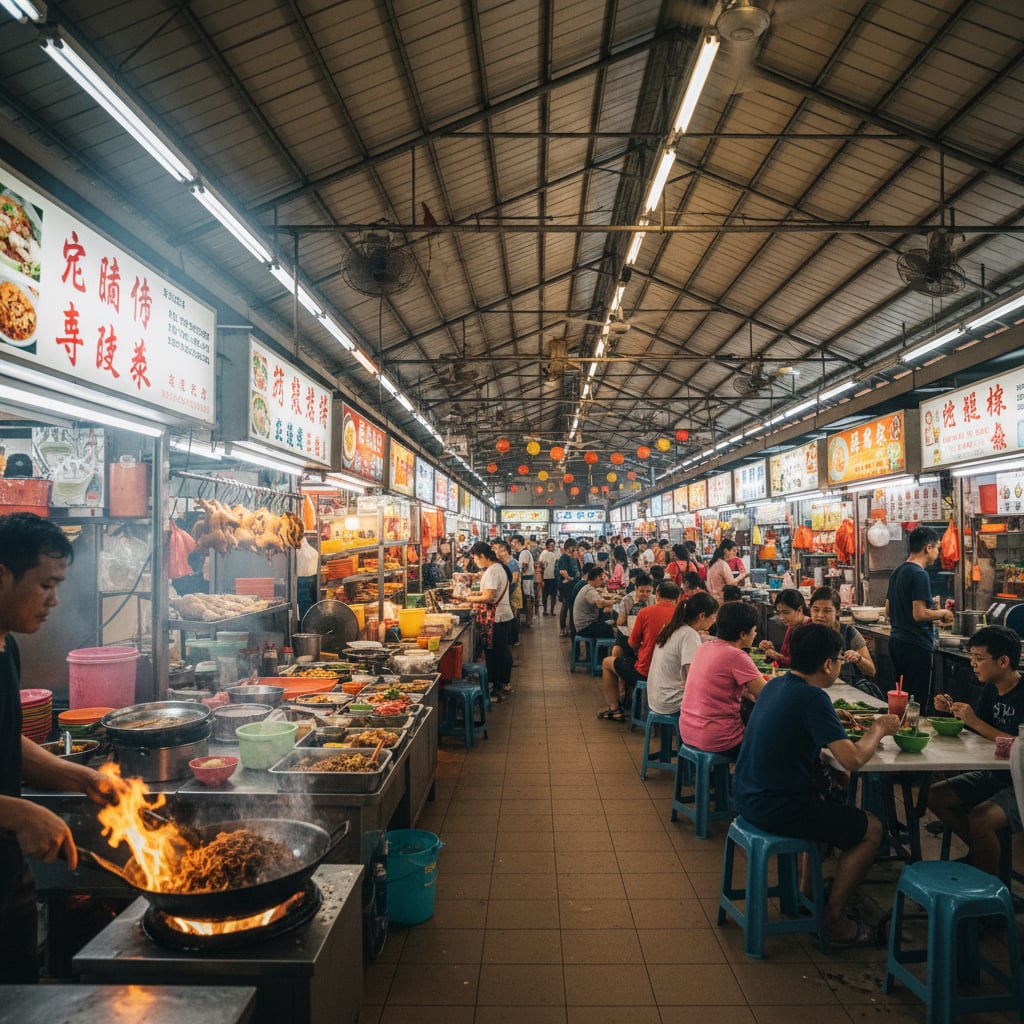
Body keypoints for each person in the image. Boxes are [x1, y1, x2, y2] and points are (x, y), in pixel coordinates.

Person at [0, 513, 122, 982]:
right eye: (46, 584)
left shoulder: (7, 645)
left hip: (7, 877)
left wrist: (81, 777)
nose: (55, 599)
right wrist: (21, 814)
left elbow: (6, 744)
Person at [733, 623, 899, 947]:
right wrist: (879, 727)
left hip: (746, 795)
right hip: (775, 807)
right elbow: (852, 760)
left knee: (828, 805)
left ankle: (809, 892)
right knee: (872, 829)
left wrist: (830, 715)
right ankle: (835, 921)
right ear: (828, 665)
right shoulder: (812, 698)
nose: (838, 665)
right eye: (838, 660)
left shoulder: (776, 685)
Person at [927, 625, 1024, 878]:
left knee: (982, 818)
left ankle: (989, 898)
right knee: (937, 796)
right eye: (971, 657)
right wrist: (951, 711)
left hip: (1021, 781)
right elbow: (979, 734)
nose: (972, 663)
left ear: (1003, 661)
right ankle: (986, 858)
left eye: (979, 658)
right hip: (997, 774)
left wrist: (975, 722)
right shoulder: (992, 688)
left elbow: (1020, 747)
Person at [679, 600, 765, 756]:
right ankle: (743, 777)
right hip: (716, 738)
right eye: (754, 630)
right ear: (743, 634)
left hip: (688, 730)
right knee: (768, 739)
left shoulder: (706, 646)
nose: (756, 634)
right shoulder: (737, 656)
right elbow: (766, 694)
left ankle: (722, 777)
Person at [885, 525, 953, 709]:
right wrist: (943, 613)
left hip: (897, 642)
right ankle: (915, 734)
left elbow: (888, 611)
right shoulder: (919, 574)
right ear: (927, 548)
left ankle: (902, 731)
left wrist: (932, 614)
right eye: (937, 547)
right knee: (917, 701)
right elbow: (919, 614)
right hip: (915, 645)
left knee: (902, 697)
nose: (938, 553)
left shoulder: (897, 571)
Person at [597, 580, 680, 721]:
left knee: (607, 663)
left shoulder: (646, 612)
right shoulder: (682, 615)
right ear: (677, 598)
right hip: (674, 676)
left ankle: (615, 708)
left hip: (646, 672)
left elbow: (633, 643)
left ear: (657, 594)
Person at [646, 591, 719, 716]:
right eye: (714, 616)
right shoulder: (689, 635)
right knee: (720, 703)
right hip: (670, 700)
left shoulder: (673, 627)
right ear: (702, 616)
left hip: (656, 696)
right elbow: (692, 676)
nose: (714, 620)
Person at [465, 541, 515, 700]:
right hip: (502, 615)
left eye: (475, 558)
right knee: (501, 651)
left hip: (497, 617)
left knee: (494, 653)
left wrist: (468, 597)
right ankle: (503, 684)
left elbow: (489, 596)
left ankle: (497, 688)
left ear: (482, 556)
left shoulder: (493, 571)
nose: (475, 562)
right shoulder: (497, 568)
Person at [808, 587, 877, 686]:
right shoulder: (806, 634)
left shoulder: (849, 633)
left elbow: (871, 671)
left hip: (848, 690)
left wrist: (858, 658)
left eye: (827, 611)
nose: (820, 615)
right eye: (815, 610)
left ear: (837, 612)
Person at [759, 589, 810, 668]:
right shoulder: (792, 626)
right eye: (779, 613)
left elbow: (804, 664)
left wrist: (776, 656)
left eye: (786, 612)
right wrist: (770, 650)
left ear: (799, 610)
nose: (782, 618)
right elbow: (785, 656)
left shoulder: (811, 629)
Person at [572, 565, 616, 639]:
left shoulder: (588, 587)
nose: (603, 581)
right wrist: (615, 601)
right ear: (596, 578)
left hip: (585, 624)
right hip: (585, 627)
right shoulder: (589, 590)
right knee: (612, 629)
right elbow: (600, 603)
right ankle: (603, 649)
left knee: (608, 620)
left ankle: (602, 649)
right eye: (601, 578)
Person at [556, 539, 581, 637]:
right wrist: (570, 578)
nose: (575, 550)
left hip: (574, 586)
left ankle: (571, 627)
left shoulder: (575, 558)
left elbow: (579, 571)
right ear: (568, 548)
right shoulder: (564, 557)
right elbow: (563, 571)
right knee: (565, 607)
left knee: (572, 608)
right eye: (573, 547)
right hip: (566, 587)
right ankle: (563, 628)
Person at [511, 536, 534, 628]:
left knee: (527, 599)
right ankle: (527, 620)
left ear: (518, 542)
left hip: (526, 580)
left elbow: (524, 567)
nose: (512, 545)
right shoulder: (520, 553)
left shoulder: (524, 553)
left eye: (513, 542)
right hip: (525, 579)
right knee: (526, 599)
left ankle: (528, 620)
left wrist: (517, 573)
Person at [538, 539, 559, 616]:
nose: (552, 547)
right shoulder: (543, 553)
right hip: (545, 578)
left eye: (553, 545)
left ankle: (552, 610)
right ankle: (545, 610)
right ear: (547, 546)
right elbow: (540, 565)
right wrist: (541, 579)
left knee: (553, 595)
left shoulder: (556, 553)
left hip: (554, 578)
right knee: (545, 595)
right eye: (551, 545)